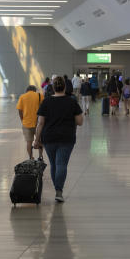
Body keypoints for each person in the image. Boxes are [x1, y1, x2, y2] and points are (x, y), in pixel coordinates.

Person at [33, 75, 83, 203]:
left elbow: (40, 123)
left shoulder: (46, 102)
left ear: (53, 88)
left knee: (54, 164)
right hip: (67, 138)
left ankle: (57, 189)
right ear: (65, 87)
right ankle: (58, 191)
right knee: (62, 164)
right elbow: (79, 121)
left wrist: (36, 140)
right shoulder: (72, 101)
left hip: (49, 138)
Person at [16, 82, 43, 155]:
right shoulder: (40, 96)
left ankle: (31, 158)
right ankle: (40, 157)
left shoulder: (22, 97)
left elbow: (19, 110)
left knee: (29, 142)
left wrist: (22, 119)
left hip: (26, 123)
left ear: (27, 90)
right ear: (35, 90)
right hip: (38, 123)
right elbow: (44, 109)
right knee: (39, 141)